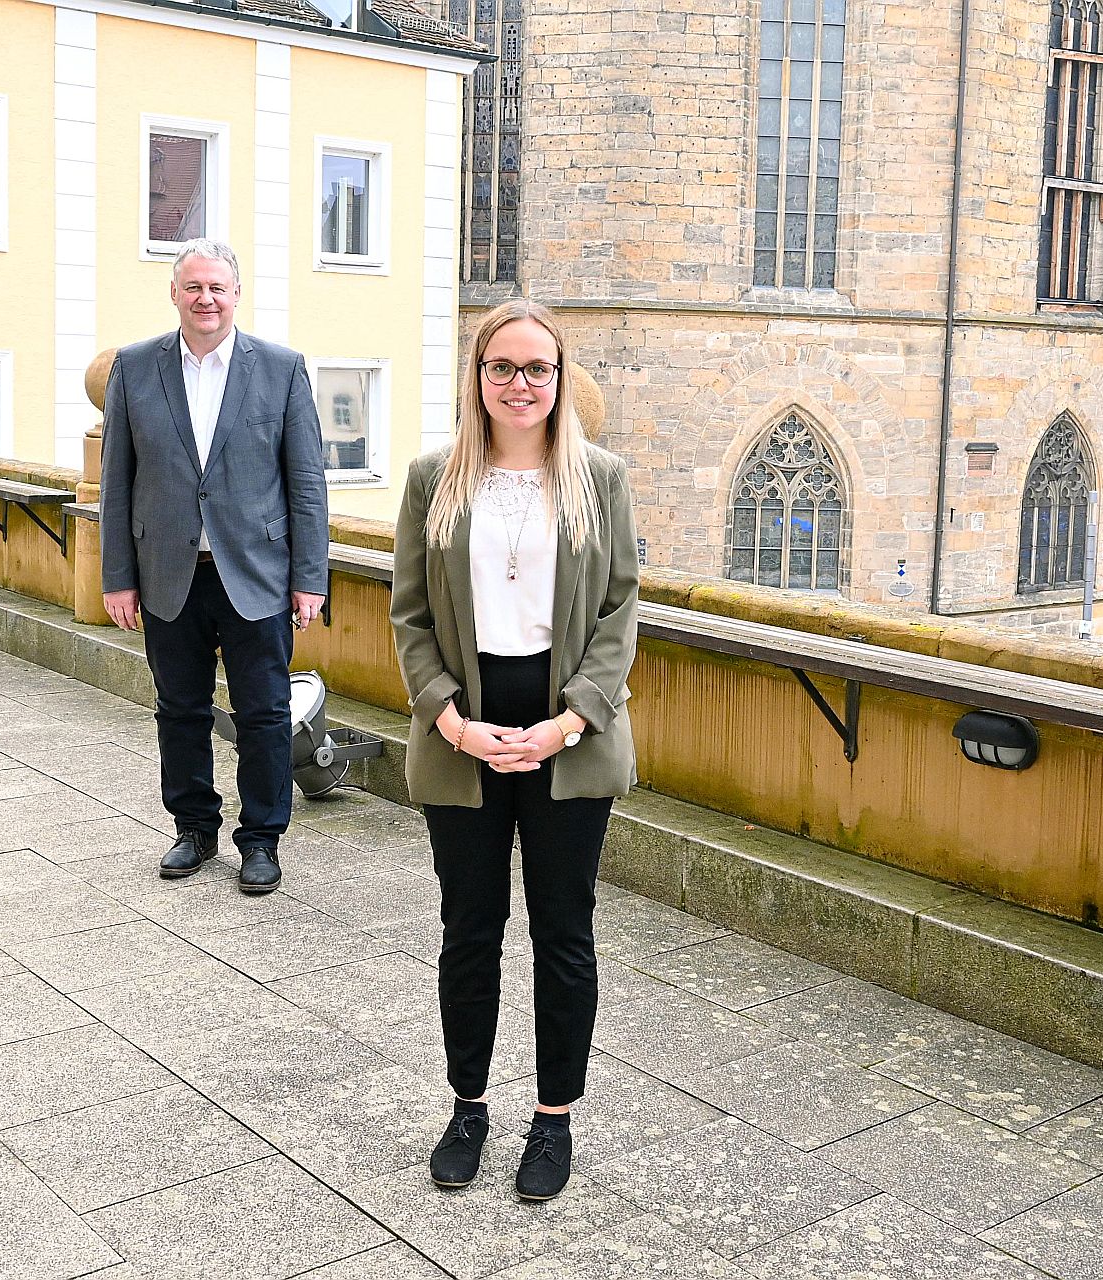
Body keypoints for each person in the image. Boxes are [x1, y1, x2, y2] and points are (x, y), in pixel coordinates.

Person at [389, 299, 639, 1202]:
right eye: (504, 367)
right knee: (470, 932)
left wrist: (567, 720)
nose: (521, 384)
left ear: (561, 378)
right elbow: (410, 617)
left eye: (538, 369)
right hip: (466, 726)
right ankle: (468, 1107)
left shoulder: (600, 479)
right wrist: (451, 721)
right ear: (478, 377)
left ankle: (554, 1119)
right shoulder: (433, 479)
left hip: (568, 732)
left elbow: (620, 616)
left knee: (563, 934)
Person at [99, 238, 329, 895]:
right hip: (168, 573)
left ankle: (260, 840)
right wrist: (118, 575)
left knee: (264, 713)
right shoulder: (135, 367)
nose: (206, 299)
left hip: (257, 573)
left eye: (217, 288)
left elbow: (306, 482)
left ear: (236, 295)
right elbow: (117, 480)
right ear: (174, 293)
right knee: (179, 709)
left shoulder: (281, 369)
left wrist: (310, 577)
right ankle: (194, 829)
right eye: (193, 287)